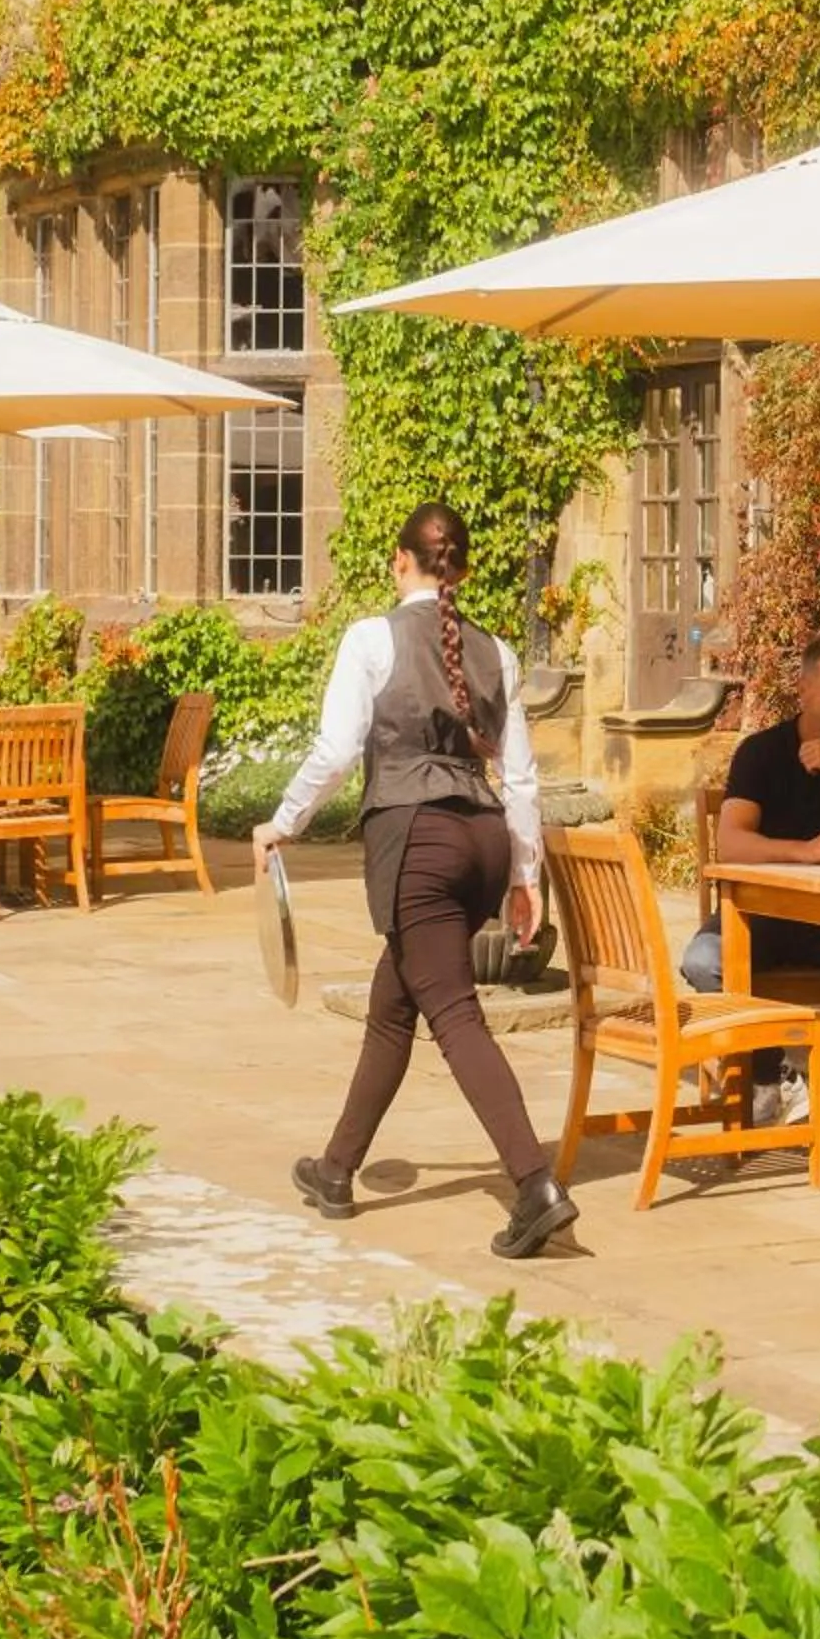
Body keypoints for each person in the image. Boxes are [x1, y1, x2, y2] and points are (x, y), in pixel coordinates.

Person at [252, 503, 575, 1261]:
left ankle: (535, 1186)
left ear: (402, 561)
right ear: (458, 570)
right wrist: (523, 878)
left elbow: (337, 749)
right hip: (485, 840)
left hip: (420, 842)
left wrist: (283, 821)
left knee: (454, 1016)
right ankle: (336, 1170)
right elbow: (521, 779)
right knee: (394, 1006)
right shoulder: (495, 651)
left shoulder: (372, 638)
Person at [680, 636, 820, 1131]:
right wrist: (801, 850)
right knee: (703, 961)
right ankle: (774, 1075)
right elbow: (732, 844)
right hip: (759, 915)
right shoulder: (761, 753)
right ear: (803, 689)